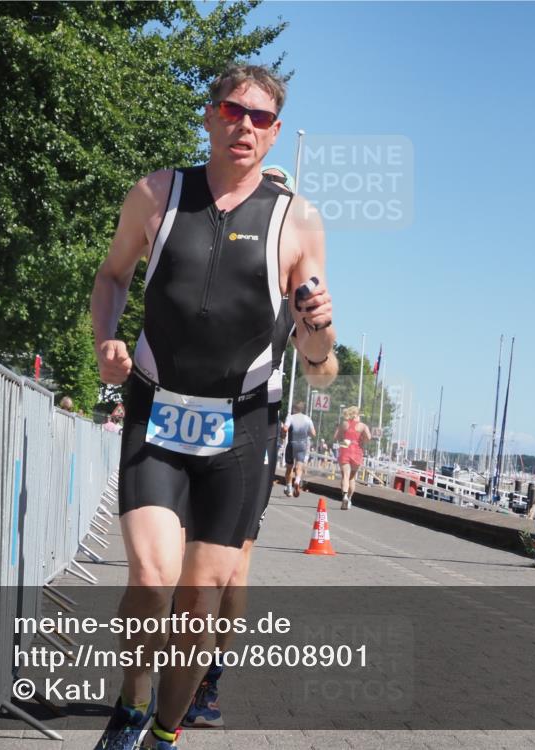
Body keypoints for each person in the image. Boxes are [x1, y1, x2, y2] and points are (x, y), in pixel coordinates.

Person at [90, 65, 337, 750]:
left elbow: (321, 367)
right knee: (150, 576)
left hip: (240, 428)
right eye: (234, 111)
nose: (245, 127)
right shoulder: (156, 194)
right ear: (210, 115)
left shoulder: (298, 220)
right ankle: (133, 700)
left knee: (200, 600)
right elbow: (113, 275)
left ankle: (167, 730)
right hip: (157, 412)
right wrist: (106, 341)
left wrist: (320, 332)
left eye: (261, 119)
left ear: (275, 132)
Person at [182, 163, 333, 730]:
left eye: (277, 191)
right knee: (178, 561)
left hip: (252, 420)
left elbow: (320, 368)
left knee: (231, 565)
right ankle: (166, 677)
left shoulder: (294, 264)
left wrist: (318, 343)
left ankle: (208, 682)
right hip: (180, 410)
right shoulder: (209, 240)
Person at [333, 406, 371, 510]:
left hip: (345, 449)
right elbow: (369, 437)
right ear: (357, 415)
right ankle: (349, 499)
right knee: (352, 478)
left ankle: (344, 496)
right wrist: (362, 440)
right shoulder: (362, 426)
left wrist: (343, 441)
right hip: (357, 451)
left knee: (345, 476)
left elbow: (336, 437)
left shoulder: (344, 424)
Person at [282, 401, 315, 497]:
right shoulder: (307, 419)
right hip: (302, 445)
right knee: (299, 467)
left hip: (292, 444)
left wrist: (283, 434)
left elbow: (285, 428)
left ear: (294, 409)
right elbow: (313, 433)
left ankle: (289, 489)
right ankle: (297, 481)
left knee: (289, 468)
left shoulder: (291, 417)